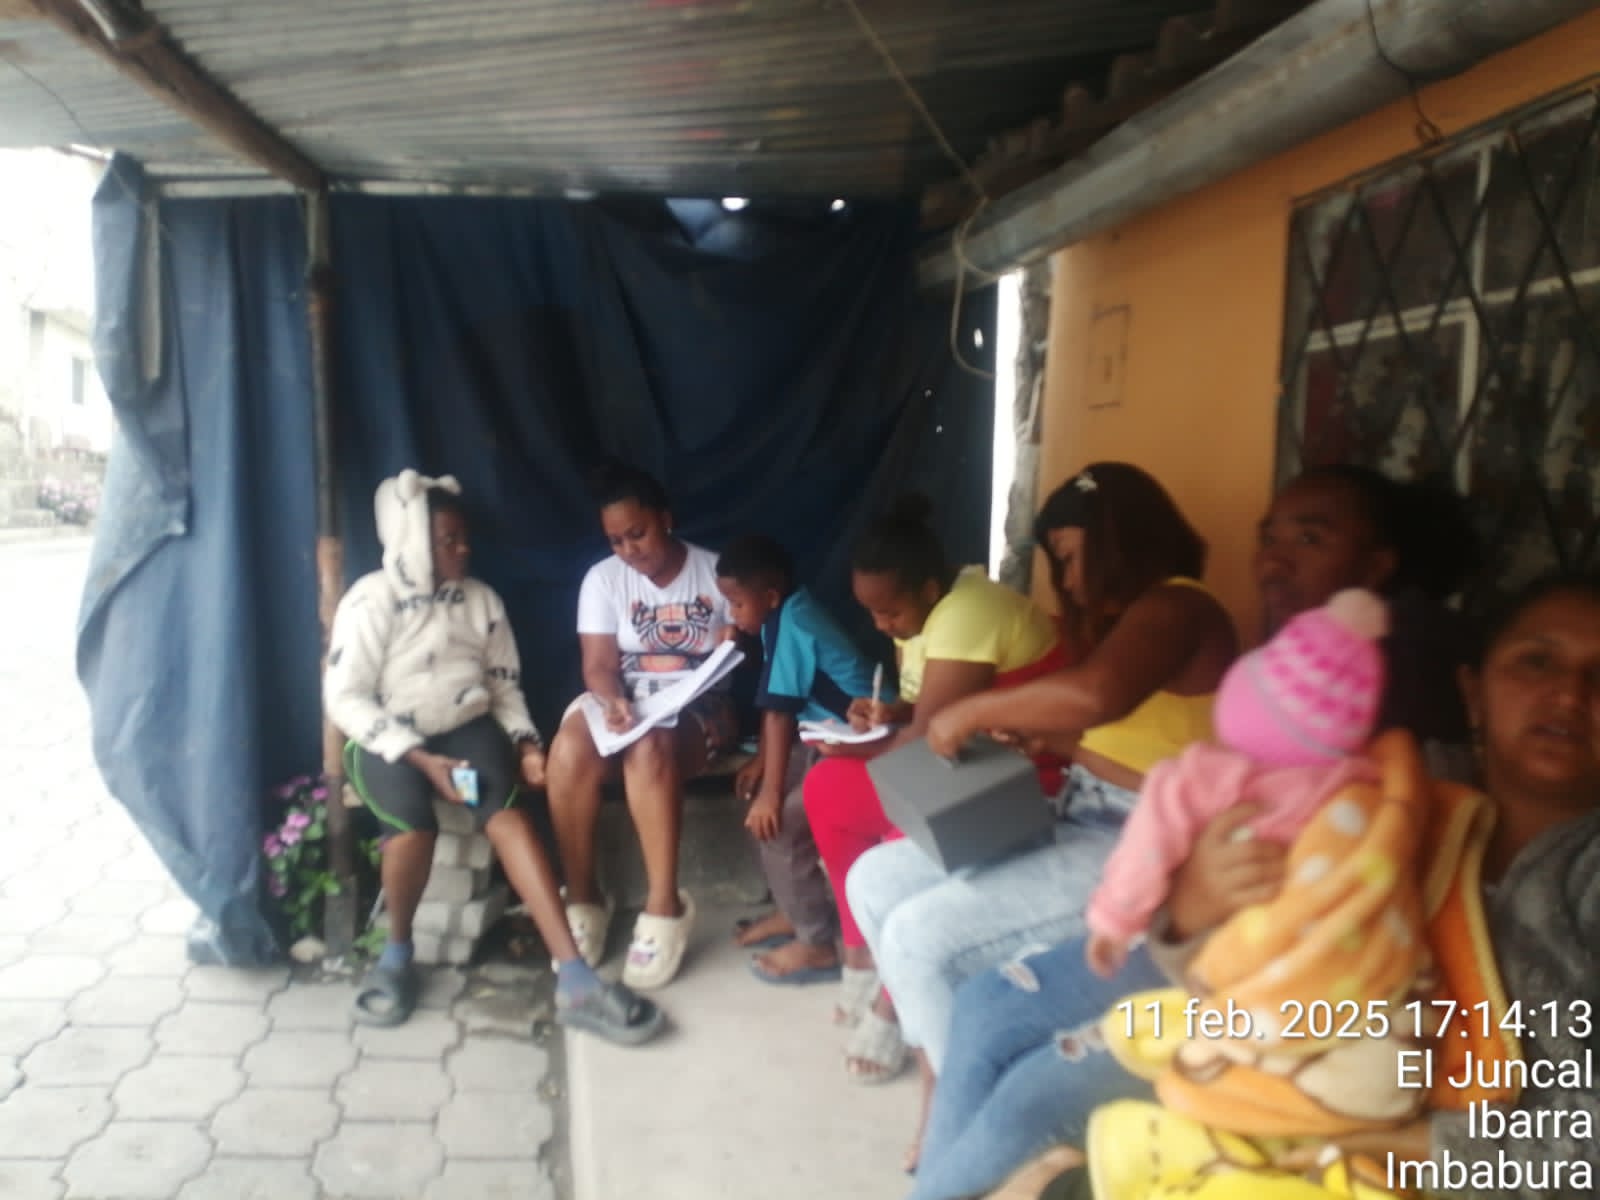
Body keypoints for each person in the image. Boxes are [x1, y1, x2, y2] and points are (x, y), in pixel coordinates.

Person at [908, 465, 1481, 1200]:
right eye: (1269, 538)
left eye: (1310, 538)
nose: (1273, 560)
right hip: (1197, 924)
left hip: (1280, 993)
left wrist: (1182, 900)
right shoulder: (1284, 659)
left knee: (1031, 1085)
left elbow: (1363, 896)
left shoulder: (1396, 679)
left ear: (1377, 565)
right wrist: (1185, 902)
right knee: (985, 1007)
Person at [1086, 573, 1600, 1200]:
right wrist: (1195, 909)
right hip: (1278, 1098)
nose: (1569, 694)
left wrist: (1419, 1150)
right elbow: (1251, 972)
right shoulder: (1370, 800)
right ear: (1473, 692)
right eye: (1537, 661)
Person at [847, 463, 1236, 1085]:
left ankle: (950, 1102)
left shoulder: (1181, 605)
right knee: (873, 880)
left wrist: (973, 712)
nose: (1069, 582)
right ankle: (945, 1065)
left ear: (1121, 542)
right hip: (1084, 813)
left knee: (921, 939)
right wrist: (1048, 740)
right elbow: (1121, 748)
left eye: (1073, 559)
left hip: (1145, 842)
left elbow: (1096, 697)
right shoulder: (1131, 622)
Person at [325, 469, 663, 1045]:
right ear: (412, 543)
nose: (463, 549)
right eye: (447, 540)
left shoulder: (481, 601)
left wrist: (525, 743)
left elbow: (503, 688)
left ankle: (575, 978)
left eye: (464, 538)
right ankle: (397, 954)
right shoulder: (370, 601)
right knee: (412, 830)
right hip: (387, 739)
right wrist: (419, 760)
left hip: (464, 729)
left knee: (508, 819)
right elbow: (346, 698)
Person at [801, 494, 1070, 1083]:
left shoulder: (968, 611)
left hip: (1026, 772)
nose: (881, 626)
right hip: (965, 757)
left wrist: (867, 741)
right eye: (872, 614)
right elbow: (926, 710)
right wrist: (887, 711)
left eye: (889, 613)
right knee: (825, 789)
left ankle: (893, 1002)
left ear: (927, 589)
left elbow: (925, 743)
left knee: (907, 817)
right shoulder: (923, 613)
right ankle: (861, 951)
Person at [1084, 588, 1389, 978]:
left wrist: (1115, 921)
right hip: (1319, 972)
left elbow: (1146, 848)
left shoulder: (1206, 778)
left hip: (1221, 959)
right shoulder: (1357, 785)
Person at [544, 462, 737, 990]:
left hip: (698, 707)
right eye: (616, 540)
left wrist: (732, 638)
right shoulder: (603, 580)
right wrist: (613, 702)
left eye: (638, 533)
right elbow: (599, 665)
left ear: (665, 519)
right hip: (626, 701)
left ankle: (663, 906)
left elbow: (740, 647)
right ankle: (584, 898)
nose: (629, 550)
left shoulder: (716, 573)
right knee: (567, 748)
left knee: (649, 746)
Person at [714, 534, 882, 984]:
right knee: (758, 801)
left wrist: (772, 792)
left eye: (737, 603)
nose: (733, 614)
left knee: (782, 822)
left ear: (770, 595)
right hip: (822, 737)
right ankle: (795, 912)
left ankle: (816, 943)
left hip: (863, 742)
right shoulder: (782, 616)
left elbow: (778, 712)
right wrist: (763, 769)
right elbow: (783, 705)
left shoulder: (793, 622)